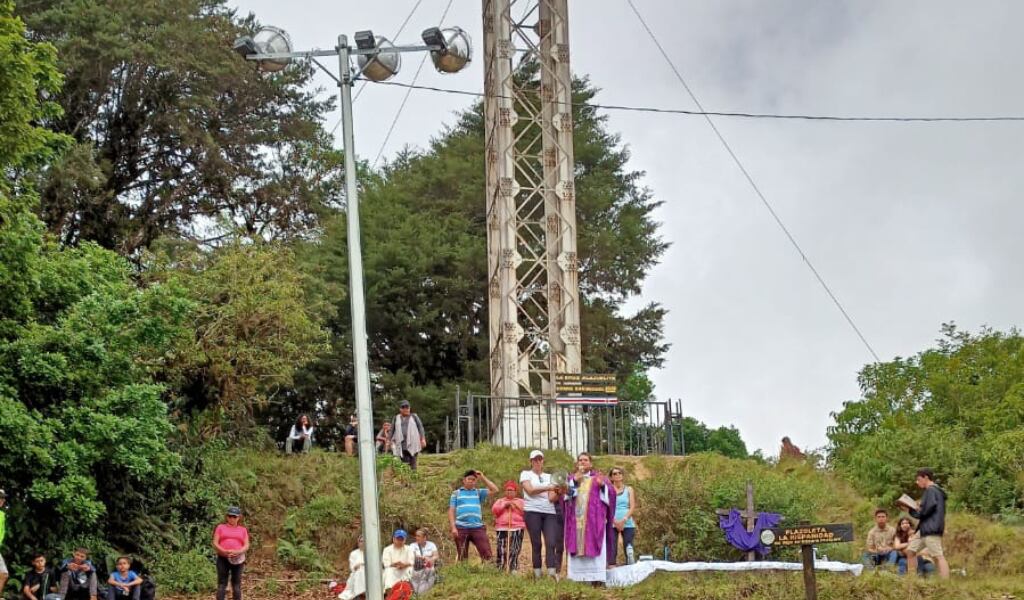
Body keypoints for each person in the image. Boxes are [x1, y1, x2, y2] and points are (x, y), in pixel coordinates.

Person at [563, 453, 616, 585]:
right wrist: (574, 482)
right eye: (580, 460)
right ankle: (577, 578)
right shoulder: (571, 478)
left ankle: (596, 577)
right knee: (577, 544)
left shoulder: (599, 478)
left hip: (594, 521)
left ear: (590, 464)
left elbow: (611, 494)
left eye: (585, 460)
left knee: (595, 543)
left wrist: (602, 486)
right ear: (577, 463)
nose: (582, 462)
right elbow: (566, 498)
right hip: (576, 521)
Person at [899, 468, 950, 578]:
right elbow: (927, 509)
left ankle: (945, 581)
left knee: (938, 556)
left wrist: (911, 510)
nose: (917, 482)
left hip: (931, 528)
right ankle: (912, 578)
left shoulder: (931, 490)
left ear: (926, 477)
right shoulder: (934, 491)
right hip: (923, 529)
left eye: (919, 479)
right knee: (910, 551)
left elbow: (925, 511)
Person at [519, 450, 561, 579]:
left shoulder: (550, 476)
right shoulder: (526, 474)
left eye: (540, 459)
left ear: (543, 461)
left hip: (549, 512)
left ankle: (551, 573)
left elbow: (551, 498)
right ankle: (537, 573)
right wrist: (548, 487)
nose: (538, 462)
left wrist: (559, 492)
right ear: (531, 461)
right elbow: (530, 490)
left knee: (551, 542)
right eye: (535, 459)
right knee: (536, 543)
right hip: (532, 511)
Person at [448, 469, 499, 562]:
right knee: (462, 555)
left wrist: (482, 477)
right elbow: (451, 511)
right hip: (461, 527)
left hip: (477, 527)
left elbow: (495, 489)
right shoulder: (456, 493)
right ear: (464, 480)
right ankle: (464, 570)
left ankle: (487, 569)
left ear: (476, 481)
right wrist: (453, 527)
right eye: (469, 479)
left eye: (473, 479)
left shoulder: (478, 492)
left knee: (486, 553)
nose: (471, 481)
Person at [213, 506, 250, 600]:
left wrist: (238, 551)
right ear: (227, 517)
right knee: (222, 584)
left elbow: (246, 545)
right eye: (230, 516)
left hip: (238, 559)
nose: (232, 518)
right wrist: (224, 551)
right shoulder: (220, 527)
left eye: (234, 516)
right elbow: (215, 542)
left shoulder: (243, 530)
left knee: (236, 584)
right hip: (223, 558)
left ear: (238, 517)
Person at [492, 481, 526, 573]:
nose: (509, 492)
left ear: (515, 492)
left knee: (515, 547)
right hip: (502, 527)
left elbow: (525, 512)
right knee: (501, 547)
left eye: (511, 490)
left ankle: (513, 567)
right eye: (507, 490)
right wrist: (504, 505)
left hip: (517, 527)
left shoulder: (521, 501)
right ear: (505, 491)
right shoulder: (500, 501)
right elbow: (495, 511)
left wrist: (515, 506)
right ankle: (500, 566)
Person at [609, 467, 637, 566]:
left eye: (619, 473)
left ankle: (630, 569)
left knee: (628, 548)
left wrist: (623, 520)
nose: (617, 475)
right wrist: (614, 521)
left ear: (622, 475)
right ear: (611, 477)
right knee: (612, 549)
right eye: (614, 473)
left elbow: (632, 506)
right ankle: (612, 569)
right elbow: (606, 507)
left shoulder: (629, 489)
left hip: (627, 522)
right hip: (612, 522)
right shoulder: (608, 490)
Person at [390, 401, 426, 470]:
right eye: (403, 408)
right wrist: (388, 440)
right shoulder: (396, 418)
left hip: (413, 443)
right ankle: (407, 474)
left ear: (409, 408)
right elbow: (392, 429)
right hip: (401, 443)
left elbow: (420, 427)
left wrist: (423, 439)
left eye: (407, 407)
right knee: (404, 462)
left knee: (413, 461)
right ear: (400, 409)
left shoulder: (414, 416)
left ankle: (413, 475)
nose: (405, 409)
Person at [409, 529, 438, 595]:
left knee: (430, 571)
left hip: (429, 566)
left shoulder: (431, 545)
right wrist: (423, 557)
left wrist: (431, 559)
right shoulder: (412, 545)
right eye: (416, 536)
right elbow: (412, 555)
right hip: (417, 568)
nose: (416, 538)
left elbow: (436, 556)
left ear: (424, 537)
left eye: (418, 536)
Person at [0, 489, 7, 594]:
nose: (2, 500)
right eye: (0, 498)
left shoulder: (2, 514)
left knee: (3, 574)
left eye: (3, 498)